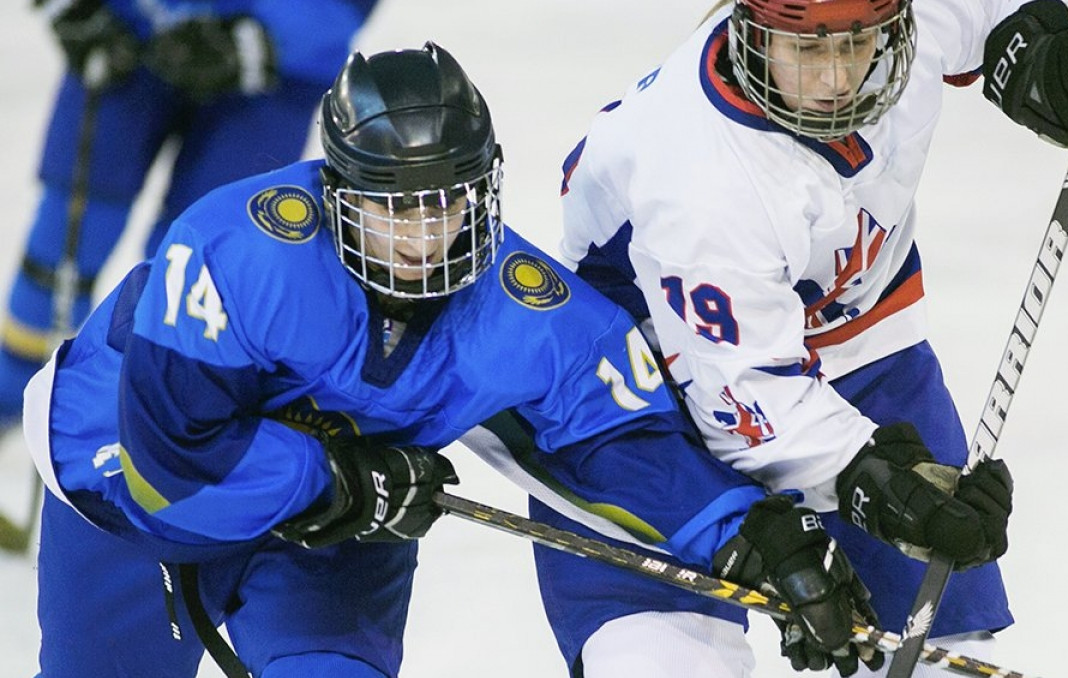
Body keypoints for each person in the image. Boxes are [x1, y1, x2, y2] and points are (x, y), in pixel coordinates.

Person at [24, 44, 890, 678]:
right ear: (335, 197)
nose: (423, 237)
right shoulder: (235, 254)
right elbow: (169, 464)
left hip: (334, 538)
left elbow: (617, 438)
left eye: (447, 205)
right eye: (393, 210)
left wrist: (757, 540)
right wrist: (335, 481)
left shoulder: (518, 305)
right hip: (116, 495)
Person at [546, 0, 1068, 676]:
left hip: (861, 351)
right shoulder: (698, 180)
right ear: (754, 35)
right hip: (635, 406)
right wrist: (883, 491)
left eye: (859, 43)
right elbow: (746, 403)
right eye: (807, 52)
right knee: (656, 665)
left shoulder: (909, 23)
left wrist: (1052, 43)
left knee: (943, 660)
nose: (838, 78)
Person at [0, 0, 378, 426]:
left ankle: (138, 419)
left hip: (274, 71)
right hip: (127, 27)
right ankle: (14, 390)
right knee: (73, 231)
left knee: (197, 262)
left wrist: (274, 36)